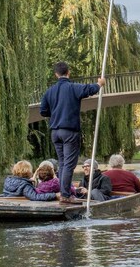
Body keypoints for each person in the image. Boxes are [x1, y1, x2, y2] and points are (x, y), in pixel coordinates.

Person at [39, 61, 105, 204]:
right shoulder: (73, 87)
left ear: (56, 74)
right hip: (69, 131)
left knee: (62, 163)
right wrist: (99, 84)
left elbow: (43, 111)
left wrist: (56, 112)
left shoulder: (49, 91)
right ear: (68, 72)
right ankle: (66, 195)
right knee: (68, 164)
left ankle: (64, 193)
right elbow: (89, 89)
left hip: (55, 132)